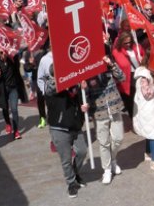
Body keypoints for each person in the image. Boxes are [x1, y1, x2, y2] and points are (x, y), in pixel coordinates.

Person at [38, 52, 89, 198]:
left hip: (75, 124)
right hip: (59, 127)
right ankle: (71, 183)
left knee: (82, 151)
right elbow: (51, 89)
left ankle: (76, 173)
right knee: (65, 159)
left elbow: (79, 99)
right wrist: (61, 78)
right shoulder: (50, 85)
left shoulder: (74, 83)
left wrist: (82, 106)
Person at [85, 55, 125, 184]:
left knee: (118, 138)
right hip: (99, 112)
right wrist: (84, 89)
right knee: (104, 142)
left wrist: (111, 64)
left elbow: (122, 77)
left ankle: (112, 159)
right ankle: (106, 169)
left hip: (114, 107)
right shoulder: (86, 72)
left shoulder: (107, 67)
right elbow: (85, 96)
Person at [133, 52, 154, 173]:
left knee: (150, 131)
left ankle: (148, 152)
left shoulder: (151, 72)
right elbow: (147, 94)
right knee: (153, 133)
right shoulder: (144, 75)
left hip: (152, 107)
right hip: (147, 108)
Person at [0, 49, 28, 140]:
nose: (3, 54)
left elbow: (17, 67)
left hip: (13, 88)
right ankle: (8, 123)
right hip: (2, 89)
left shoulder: (12, 59)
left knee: (14, 109)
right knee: (5, 107)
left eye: (5, 52)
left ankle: (16, 130)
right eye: (1, 53)